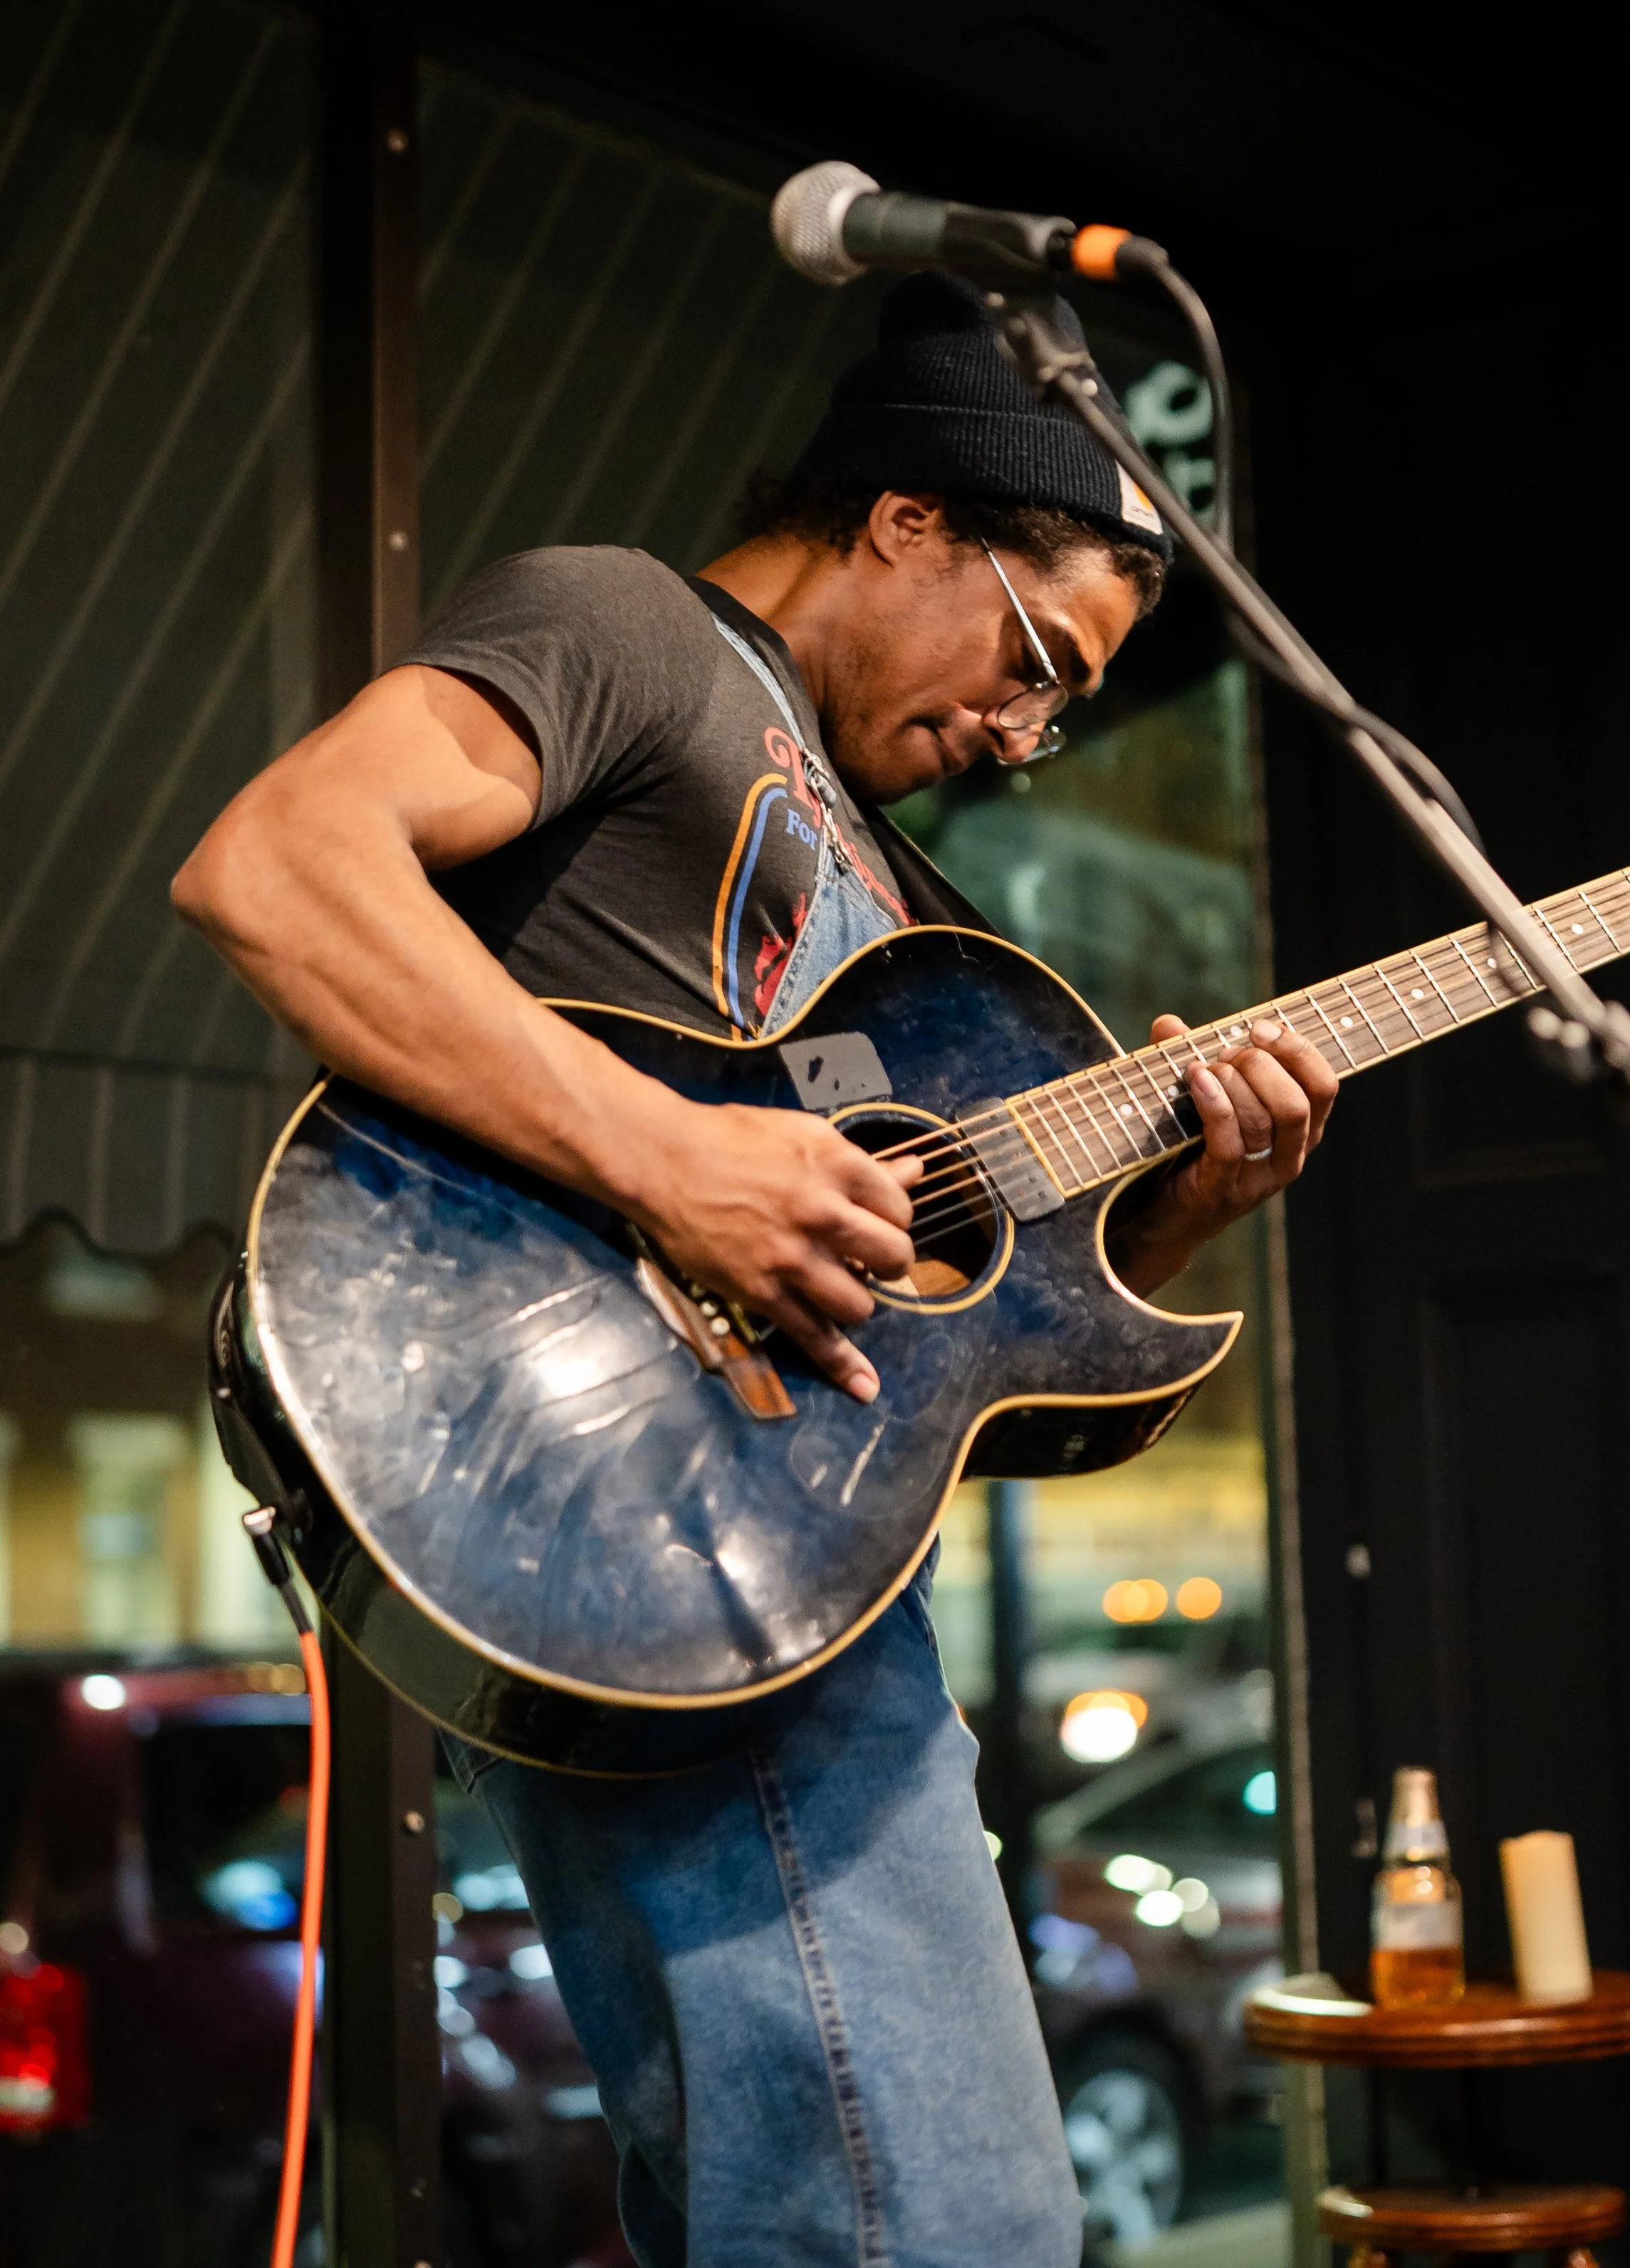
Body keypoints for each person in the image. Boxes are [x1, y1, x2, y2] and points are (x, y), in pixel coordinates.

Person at [174, 271, 1337, 2267]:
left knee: (805, 2214)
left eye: (1064, 704)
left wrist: (1180, 1200)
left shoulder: (916, 911)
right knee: (940, 2224)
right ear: (907, 519)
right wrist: (667, 1155)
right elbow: (278, 862)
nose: (1029, 730)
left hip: (783, 1559)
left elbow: (1011, 1360)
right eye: (1035, 652)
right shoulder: (629, 626)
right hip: (636, 1498)